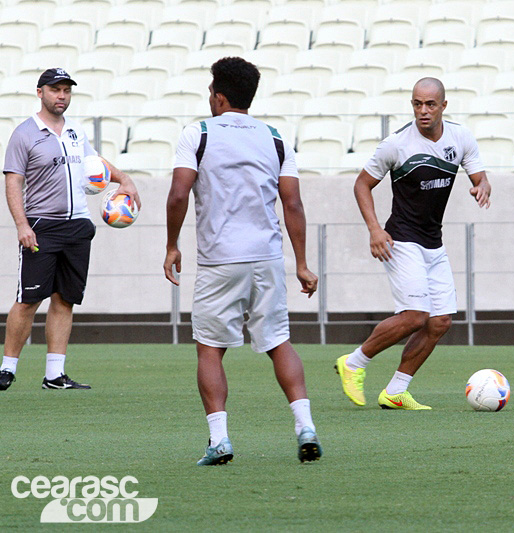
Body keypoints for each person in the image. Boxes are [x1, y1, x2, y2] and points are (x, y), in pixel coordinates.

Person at [164, 57, 321, 465]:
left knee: (210, 349)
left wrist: (171, 245)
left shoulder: (197, 132)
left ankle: (220, 440)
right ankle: (305, 426)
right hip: (267, 258)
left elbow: (179, 194)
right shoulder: (274, 137)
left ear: (218, 96)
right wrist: (302, 263)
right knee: (278, 342)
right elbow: (293, 203)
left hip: (220, 260)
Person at [335, 77, 491, 410]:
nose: (423, 111)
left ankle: (395, 391)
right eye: (417, 104)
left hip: (433, 243)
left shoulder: (460, 137)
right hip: (401, 240)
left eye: (430, 104)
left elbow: (479, 175)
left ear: (443, 106)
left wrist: (483, 187)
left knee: (441, 321)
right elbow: (362, 185)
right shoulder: (395, 145)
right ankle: (353, 363)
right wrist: (375, 230)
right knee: (416, 316)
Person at [1, 68, 140, 392]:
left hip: (78, 225)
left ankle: (55, 374)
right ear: (40, 93)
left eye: (66, 90)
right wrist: (22, 225)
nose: (61, 96)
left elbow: (94, 163)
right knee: (28, 299)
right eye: (55, 90)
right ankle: (7, 368)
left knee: (66, 299)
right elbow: (13, 181)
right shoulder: (24, 133)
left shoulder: (77, 131)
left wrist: (124, 179)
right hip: (41, 226)